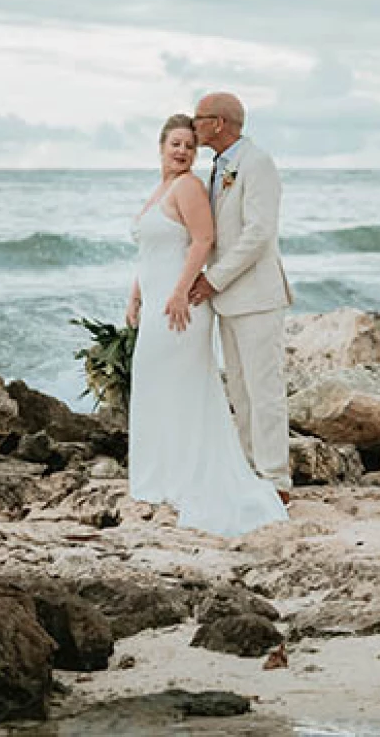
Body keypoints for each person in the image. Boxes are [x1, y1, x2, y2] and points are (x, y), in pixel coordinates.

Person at [125, 113, 288, 537]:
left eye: (188, 145)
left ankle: (207, 475)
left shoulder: (190, 186)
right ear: (160, 146)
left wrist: (180, 292)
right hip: (158, 300)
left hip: (181, 306)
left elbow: (203, 241)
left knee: (184, 384)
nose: (181, 151)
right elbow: (150, 252)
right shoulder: (159, 190)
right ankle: (161, 473)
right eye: (175, 143)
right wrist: (137, 294)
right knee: (154, 380)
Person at [189, 93, 293, 504]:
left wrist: (213, 279)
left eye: (198, 119)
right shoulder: (217, 168)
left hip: (256, 296)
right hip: (229, 300)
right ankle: (252, 472)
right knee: (241, 393)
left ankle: (276, 480)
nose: (192, 125)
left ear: (218, 123)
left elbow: (258, 233)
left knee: (265, 390)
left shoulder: (256, 163)